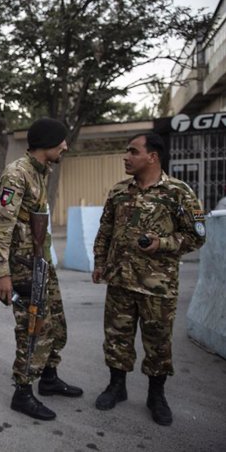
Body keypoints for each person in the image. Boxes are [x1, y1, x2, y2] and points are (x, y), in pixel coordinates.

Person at [92, 133, 206, 426]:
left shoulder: (178, 192)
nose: (126, 157)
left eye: (133, 151)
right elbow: (105, 230)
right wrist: (99, 263)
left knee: (158, 342)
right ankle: (117, 386)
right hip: (119, 280)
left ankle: (156, 395)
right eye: (126, 151)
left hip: (158, 285)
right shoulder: (119, 192)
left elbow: (197, 235)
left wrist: (162, 244)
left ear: (152, 157)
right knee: (117, 338)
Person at [0, 117, 83, 421]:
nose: (66, 146)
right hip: (23, 268)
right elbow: (1, 228)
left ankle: (49, 378)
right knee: (33, 328)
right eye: (62, 141)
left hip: (41, 263)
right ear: (48, 143)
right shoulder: (17, 174)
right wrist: (2, 274)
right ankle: (23, 391)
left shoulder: (41, 172)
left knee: (54, 323)